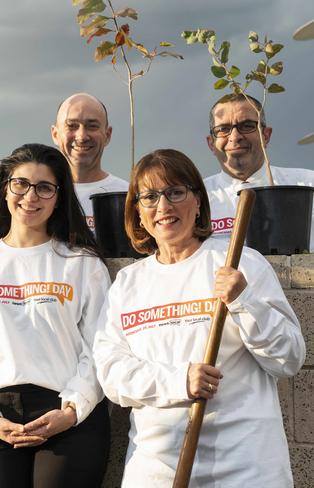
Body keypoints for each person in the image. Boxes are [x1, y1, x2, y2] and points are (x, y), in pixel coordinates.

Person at [93, 148, 305, 487]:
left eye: (175, 192)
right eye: (149, 196)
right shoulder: (128, 284)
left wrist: (244, 300)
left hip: (246, 468)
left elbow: (288, 359)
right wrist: (179, 381)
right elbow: (112, 375)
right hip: (156, 471)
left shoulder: (240, 264)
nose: (163, 206)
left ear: (198, 201)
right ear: (138, 212)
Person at [0, 143, 111, 488]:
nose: (30, 197)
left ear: (59, 196)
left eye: (44, 187)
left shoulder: (82, 264)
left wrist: (70, 410)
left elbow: (102, 348)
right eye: (20, 184)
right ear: (5, 188)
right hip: (0, 419)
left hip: (69, 416)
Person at [204, 93, 314, 248]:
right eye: (223, 129)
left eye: (247, 126)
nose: (235, 137)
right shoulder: (196, 199)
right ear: (211, 144)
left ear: (266, 136)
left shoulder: (308, 184)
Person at [51, 93, 128, 230]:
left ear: (107, 135)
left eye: (92, 126)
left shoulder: (127, 196)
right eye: (72, 126)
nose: (81, 136)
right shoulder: (37, 196)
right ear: (55, 135)